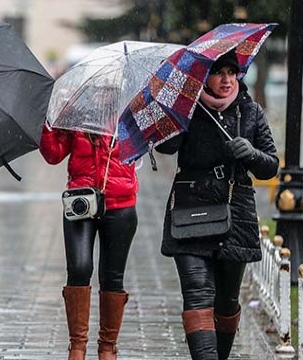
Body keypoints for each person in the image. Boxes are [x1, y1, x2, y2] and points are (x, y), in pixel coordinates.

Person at [156, 50, 278, 360]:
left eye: (231, 72)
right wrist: (175, 114)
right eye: (218, 72)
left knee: (226, 300)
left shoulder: (250, 111)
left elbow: (270, 166)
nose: (226, 79)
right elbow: (166, 147)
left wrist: (249, 152)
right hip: (191, 206)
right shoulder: (188, 109)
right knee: (197, 293)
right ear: (204, 76)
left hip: (234, 210)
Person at [40, 108, 139, 360]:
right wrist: (48, 124)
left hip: (121, 204)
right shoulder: (76, 112)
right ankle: (77, 346)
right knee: (79, 269)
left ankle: (108, 348)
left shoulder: (131, 111)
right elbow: (53, 155)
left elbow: (147, 145)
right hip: (81, 201)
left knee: (112, 277)